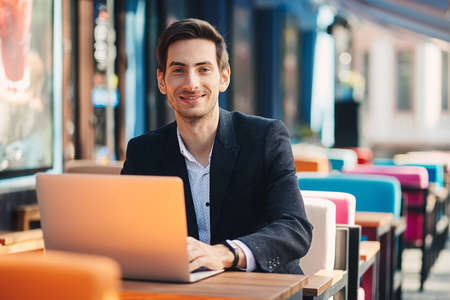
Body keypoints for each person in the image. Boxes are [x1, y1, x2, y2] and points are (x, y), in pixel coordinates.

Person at [121, 18, 312, 274]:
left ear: (224, 78)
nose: (191, 83)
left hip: (260, 291)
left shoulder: (265, 138)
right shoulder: (143, 152)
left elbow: (294, 228)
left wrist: (225, 254)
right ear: (161, 81)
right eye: (178, 70)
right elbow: (124, 231)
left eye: (203, 69)